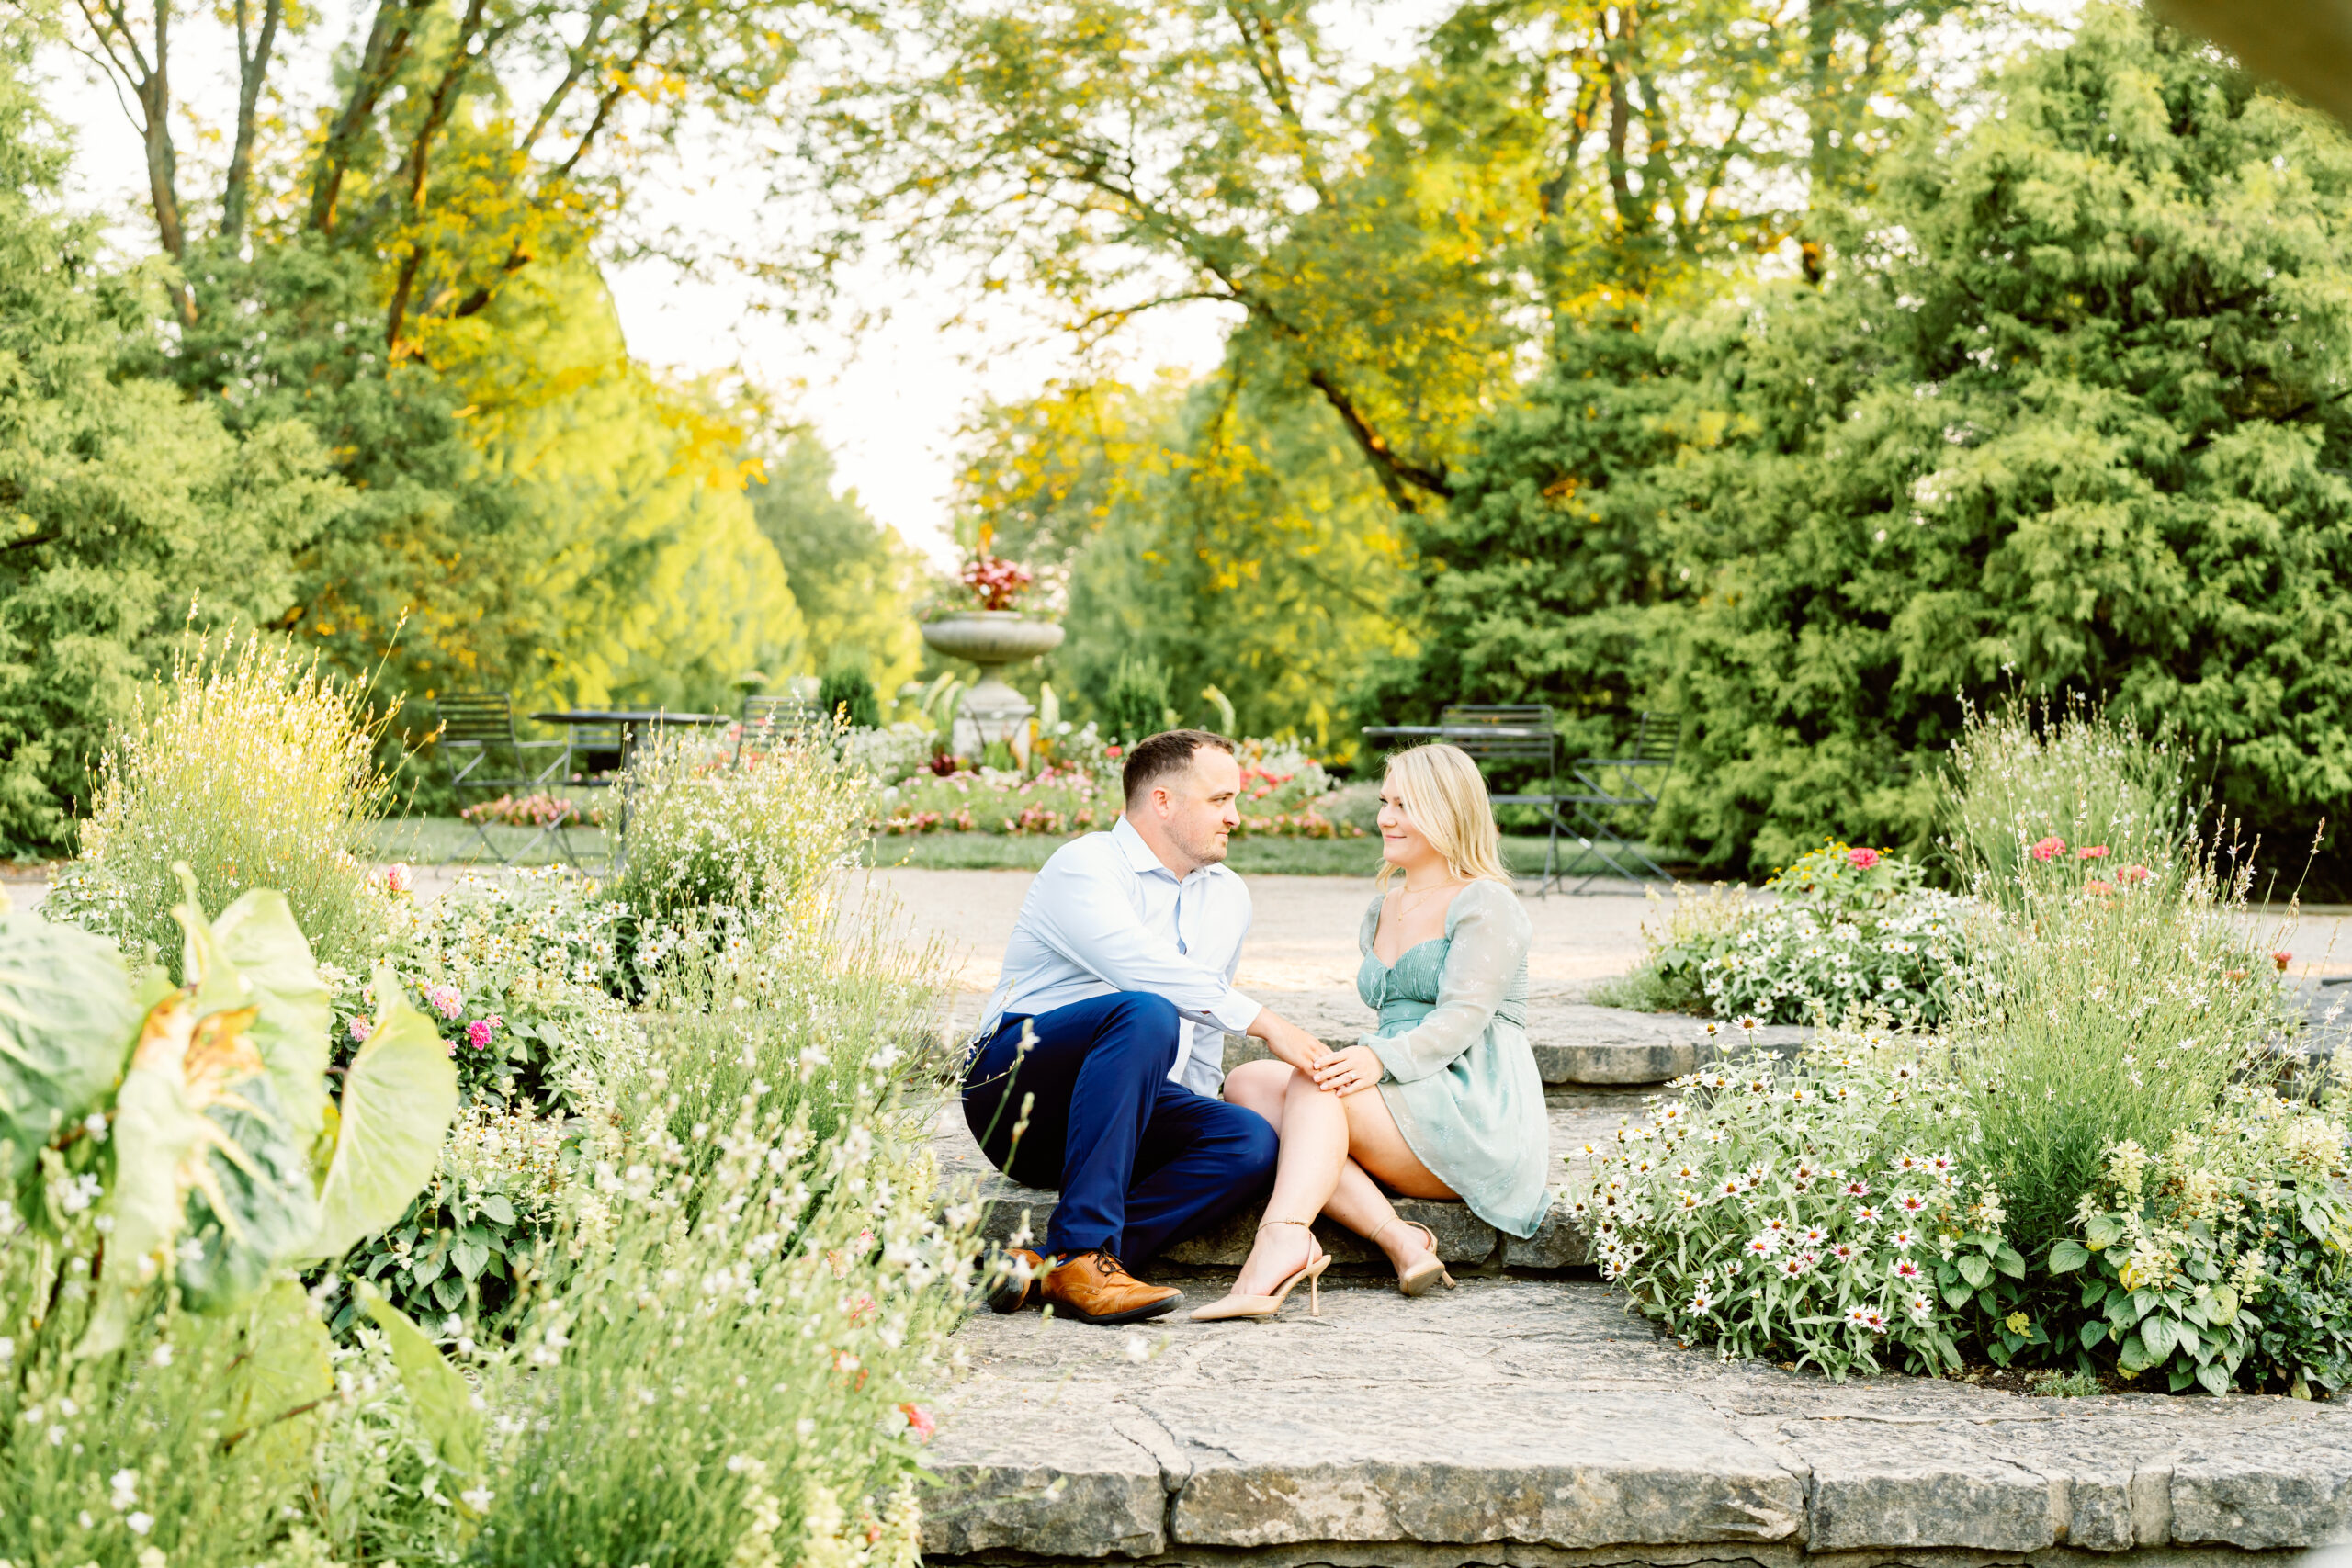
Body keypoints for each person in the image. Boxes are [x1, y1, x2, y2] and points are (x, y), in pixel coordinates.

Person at [962, 729, 1335, 1325]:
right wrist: (1266, 1023)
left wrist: (1194, 1113)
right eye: (1220, 800)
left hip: (1121, 1109)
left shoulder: (1230, 897)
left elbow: (1204, 1036)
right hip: (1015, 1090)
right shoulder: (1084, 866)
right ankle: (1086, 1249)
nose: (1235, 817)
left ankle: (1050, 1264)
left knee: (1247, 1140)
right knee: (1147, 1009)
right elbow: (1141, 968)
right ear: (1163, 801)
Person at [1194, 740, 1545, 1322]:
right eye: (1385, 802)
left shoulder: (1486, 902)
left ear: (1447, 811)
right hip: (1409, 1088)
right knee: (1251, 1082)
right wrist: (1368, 1059)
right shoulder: (1385, 905)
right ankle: (1401, 1240)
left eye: (1404, 805)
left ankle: (1281, 1241)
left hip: (1472, 1102)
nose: (1384, 817)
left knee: (1317, 1083)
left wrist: (1374, 1059)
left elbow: (1461, 1021)